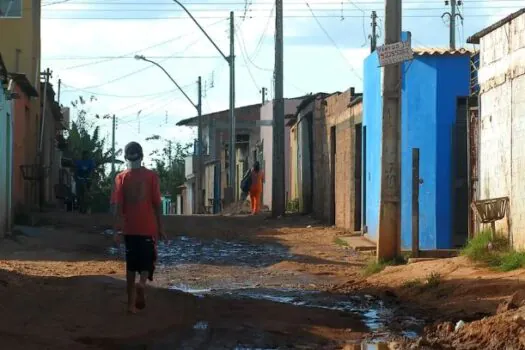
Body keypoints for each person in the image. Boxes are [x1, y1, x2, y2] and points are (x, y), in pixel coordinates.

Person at [113, 141, 167, 314]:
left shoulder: (121, 178)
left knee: (130, 266)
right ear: (142, 156)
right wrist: (160, 227)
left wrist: (118, 230)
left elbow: (118, 207)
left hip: (129, 228)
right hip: (147, 227)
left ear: (125, 157)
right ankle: (142, 283)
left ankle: (130, 305)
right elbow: (157, 204)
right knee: (148, 261)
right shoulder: (151, 176)